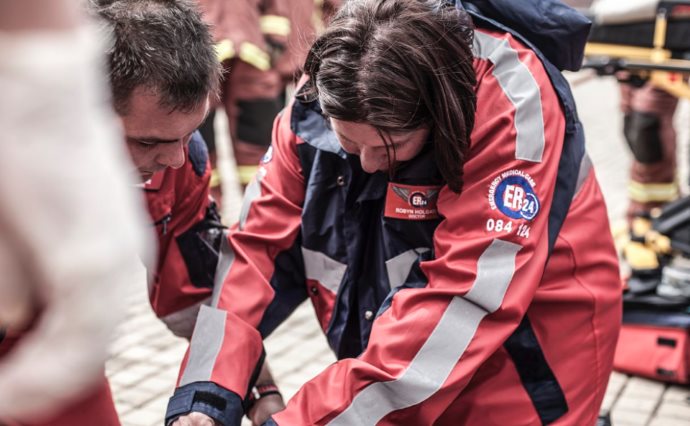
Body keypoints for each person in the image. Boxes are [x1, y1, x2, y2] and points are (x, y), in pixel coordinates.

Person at [164, 0, 622, 425]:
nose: (367, 164)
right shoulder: (327, 89)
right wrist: (206, 395)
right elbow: (255, 252)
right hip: (397, 362)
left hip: (526, 362)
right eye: (347, 143)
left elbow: (462, 299)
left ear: (438, 112)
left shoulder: (511, 101)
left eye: (390, 147)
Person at [91, 1, 285, 424]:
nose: (177, 159)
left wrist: (253, 390)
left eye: (189, 133)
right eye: (148, 142)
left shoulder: (182, 164)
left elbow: (194, 294)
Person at [0, 0, 152, 424]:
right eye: (149, 143)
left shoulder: (166, 146)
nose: (174, 158)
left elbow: (203, 287)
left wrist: (216, 391)